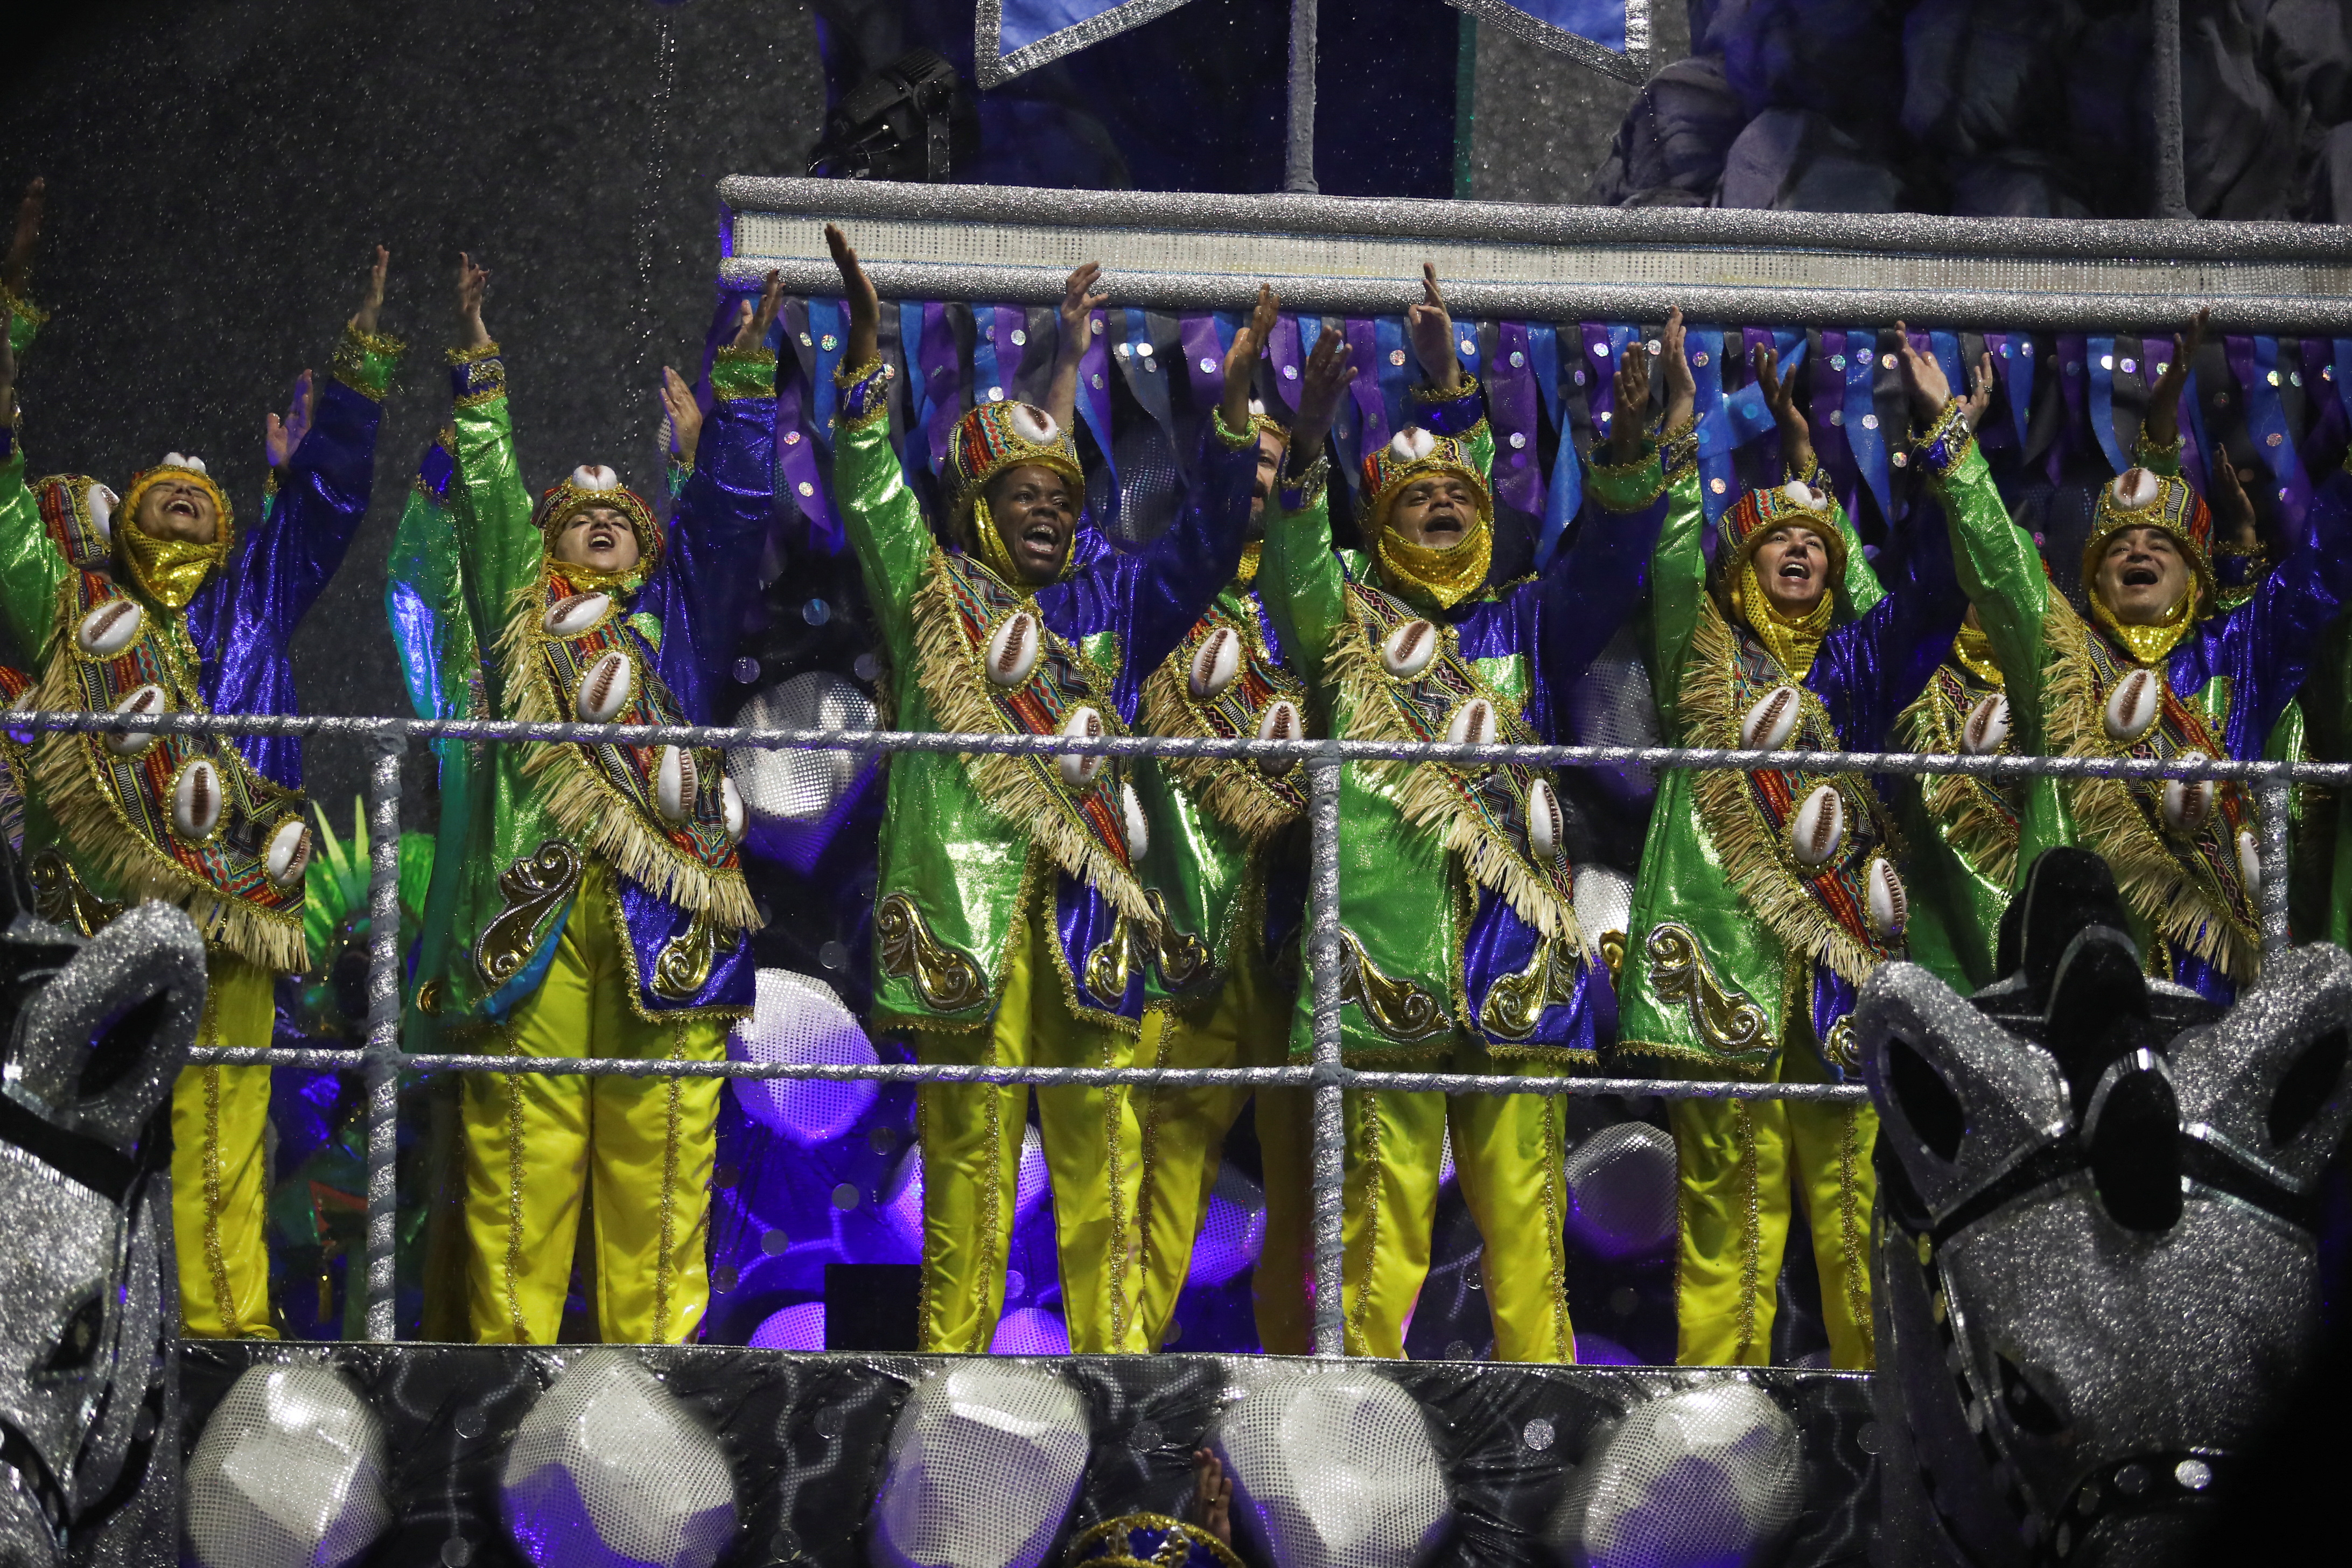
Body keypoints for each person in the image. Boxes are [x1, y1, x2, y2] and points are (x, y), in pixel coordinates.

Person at [824, 225, 1262, 1354]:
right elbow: (872, 492)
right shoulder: (930, 600)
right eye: (1022, 492)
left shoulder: (1109, 606)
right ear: (977, 503)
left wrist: (1235, 411)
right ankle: (950, 1380)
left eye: (1062, 496)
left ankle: (1113, 1386)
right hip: (963, 929)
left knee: (1106, 1169)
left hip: (1087, 929)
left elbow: (1205, 542)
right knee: (965, 1165)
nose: (1048, 509)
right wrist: (867, 359)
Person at [1256, 268, 1669, 1362]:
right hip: (1382, 964)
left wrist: (1628, 454)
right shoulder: (1339, 626)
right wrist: (1305, 444)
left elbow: (1616, 559)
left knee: (1528, 1244)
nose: (1441, 505)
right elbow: (1293, 568)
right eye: (1413, 498)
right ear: (1377, 525)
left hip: (1515, 972)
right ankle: (1349, 1444)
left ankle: (1545, 1412)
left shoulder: (1527, 626)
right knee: (1375, 1245)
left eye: (1460, 497)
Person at [0, 220, 402, 1340]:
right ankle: (86, 1327)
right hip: (100, 912)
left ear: (228, 528)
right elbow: (0, 519)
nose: (183, 493)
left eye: (201, 491)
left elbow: (324, 510)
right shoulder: (74, 610)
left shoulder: (256, 599)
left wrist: (360, 369)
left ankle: (225, 1329)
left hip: (230, 907)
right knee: (94, 1118)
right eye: (162, 488)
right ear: (123, 519)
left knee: (229, 1114)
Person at [1609, 321, 2033, 1370]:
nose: (1799, 550)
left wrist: (1945, 442)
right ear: (1737, 565)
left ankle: (1882, 1436)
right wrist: (1674, 419)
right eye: (1774, 541)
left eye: (1818, 543)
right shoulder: (1697, 652)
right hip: (1724, 962)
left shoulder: (1857, 664)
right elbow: (1666, 552)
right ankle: (1720, 1434)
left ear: (1838, 568)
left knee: (1864, 1224)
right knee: (1726, 1220)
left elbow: (1940, 590)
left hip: (1846, 968)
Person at [432, 254, 781, 1345]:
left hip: (668, 923)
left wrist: (744, 391)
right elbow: (488, 508)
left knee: (663, 1176)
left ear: (648, 545)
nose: (595, 523)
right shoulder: (516, 618)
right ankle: (502, 1392)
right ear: (547, 544)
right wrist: (479, 378)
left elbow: (728, 514)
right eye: (574, 516)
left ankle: (655, 1400)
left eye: (617, 516)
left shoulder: (683, 617)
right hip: (535, 921)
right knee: (520, 1186)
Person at [1938, 310, 2352, 1004]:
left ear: (2195, 579)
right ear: (2092, 580)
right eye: (2119, 547)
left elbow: (2319, 571)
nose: (2138, 552)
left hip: (2219, 971)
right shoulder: (2059, 655)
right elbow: (2002, 568)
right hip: (2087, 958)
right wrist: (1956, 456)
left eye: (2161, 547)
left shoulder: (2237, 654)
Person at [1128, 286, 1320, 1355]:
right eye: (1241, 460)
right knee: (1150, 1195)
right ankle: (1116, 1384)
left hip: (1298, 959)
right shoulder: (1162, 594)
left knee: (1315, 1204)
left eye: (1275, 465)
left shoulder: (1322, 604)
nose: (1258, 481)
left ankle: (1316, 1409)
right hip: (1182, 946)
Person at [1892, 355, 2021, 995]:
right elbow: (1931, 570)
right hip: (1937, 979)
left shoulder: (2070, 677)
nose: (1985, 577)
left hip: (2043, 966)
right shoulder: (1913, 667)